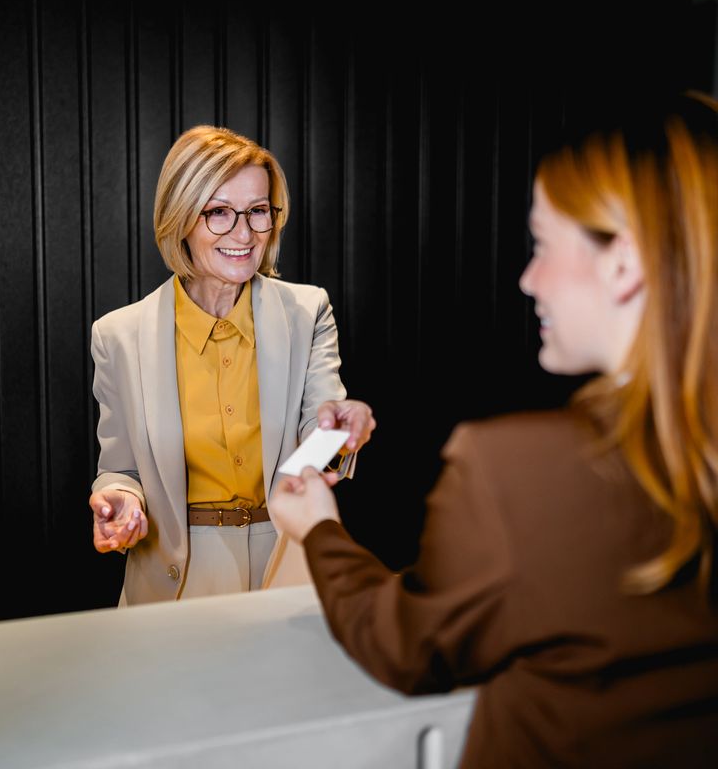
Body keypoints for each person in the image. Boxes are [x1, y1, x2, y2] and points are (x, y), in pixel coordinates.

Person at [269, 91, 718, 767]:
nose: (529, 279)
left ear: (624, 264)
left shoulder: (510, 472)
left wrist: (318, 530)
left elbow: (405, 646)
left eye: (543, 245)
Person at [88, 125, 375, 605]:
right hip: (174, 580)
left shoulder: (308, 312)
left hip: (286, 564)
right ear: (181, 218)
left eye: (257, 211)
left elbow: (317, 438)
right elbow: (120, 470)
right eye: (218, 212)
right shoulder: (118, 335)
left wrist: (342, 431)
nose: (244, 234)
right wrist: (122, 500)